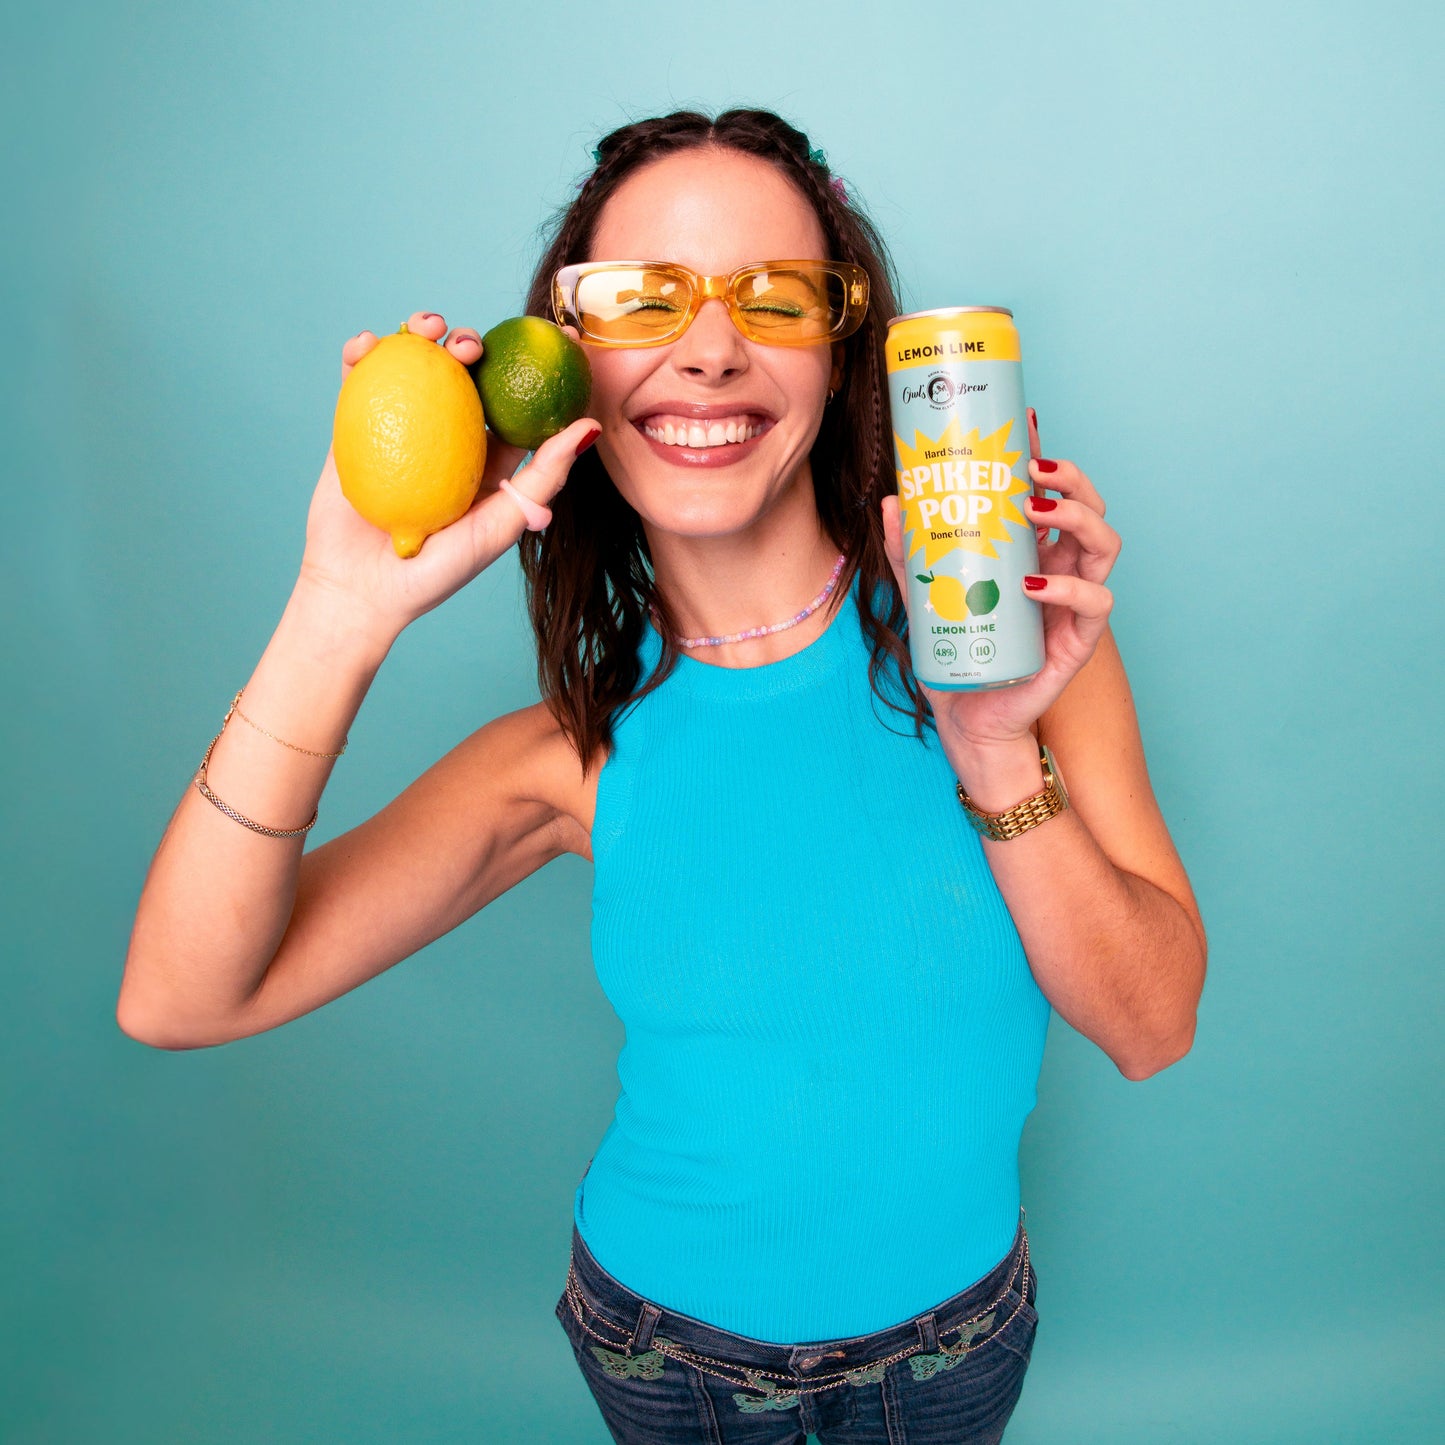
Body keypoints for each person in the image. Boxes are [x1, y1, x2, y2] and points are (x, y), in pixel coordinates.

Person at [118, 107, 1207, 1444]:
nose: (706, 349)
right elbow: (179, 995)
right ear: (566, 364)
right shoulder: (564, 759)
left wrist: (990, 742)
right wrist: (338, 609)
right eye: (641, 300)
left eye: (773, 296)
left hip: (956, 1343)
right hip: (666, 1352)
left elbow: (1151, 1026)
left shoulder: (1019, 643)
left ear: (839, 347)